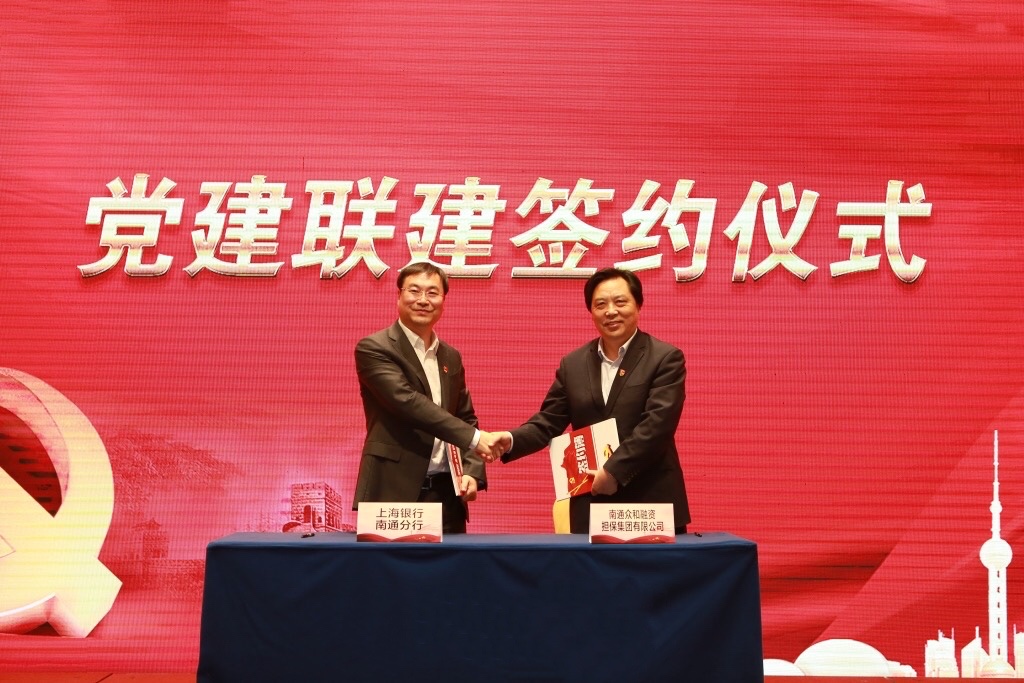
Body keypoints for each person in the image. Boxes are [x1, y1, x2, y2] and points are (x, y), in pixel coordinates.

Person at [492, 267, 690, 534]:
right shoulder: (573, 364)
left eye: (620, 302)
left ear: (638, 305)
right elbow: (548, 422)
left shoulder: (665, 358)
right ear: (591, 311)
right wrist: (510, 440)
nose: (611, 311)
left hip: (650, 503)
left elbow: (657, 426)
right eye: (601, 304)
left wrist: (614, 472)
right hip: (591, 501)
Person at [352, 261, 501, 533]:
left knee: (453, 562)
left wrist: (471, 469)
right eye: (414, 291)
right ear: (399, 295)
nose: (423, 300)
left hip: (447, 494)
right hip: (393, 491)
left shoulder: (450, 356)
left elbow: (464, 417)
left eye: (433, 293)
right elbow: (408, 402)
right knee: (390, 563)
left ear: (443, 300)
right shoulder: (374, 348)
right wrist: (476, 439)